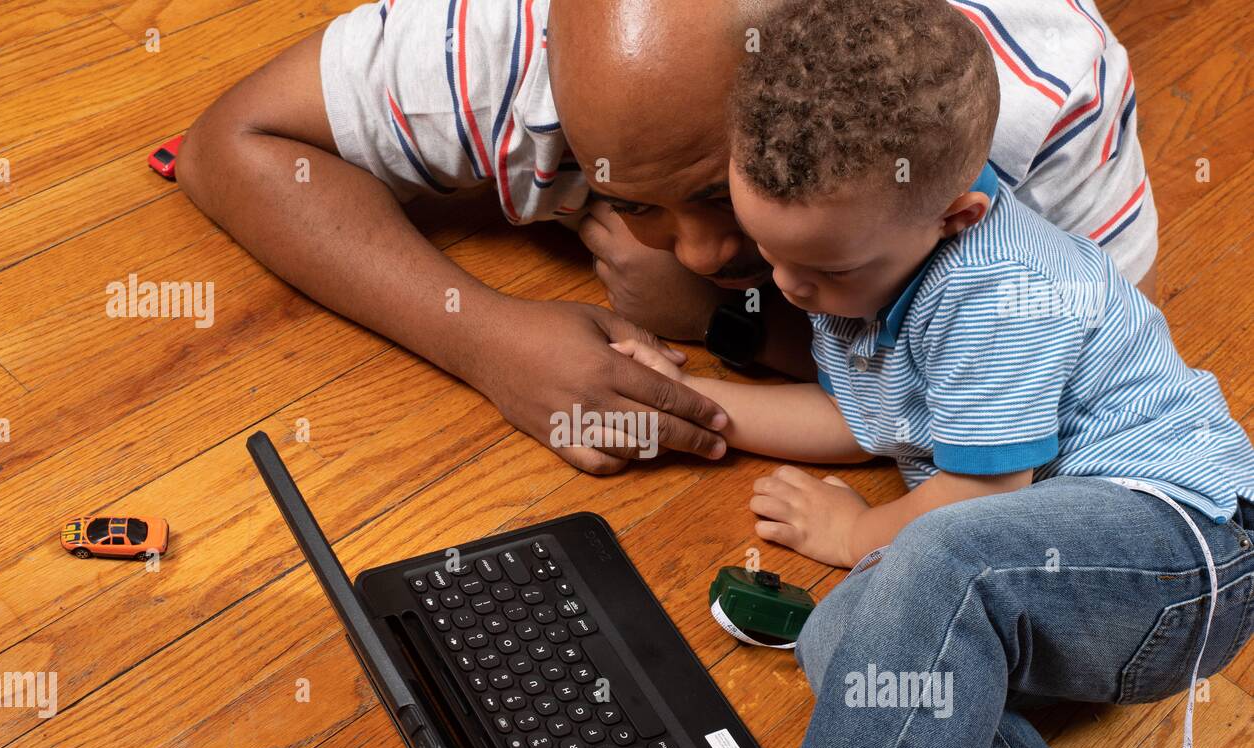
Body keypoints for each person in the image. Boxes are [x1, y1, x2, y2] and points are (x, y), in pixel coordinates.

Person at [613, 0, 1254, 748]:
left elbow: (981, 495)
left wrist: (855, 532)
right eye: (770, 254)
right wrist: (682, 401)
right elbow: (867, 416)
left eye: (824, 270)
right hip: (1050, 576)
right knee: (845, 634)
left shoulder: (1002, 290)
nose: (790, 290)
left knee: (926, 562)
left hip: (1185, 547)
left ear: (954, 216)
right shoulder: (876, 257)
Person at [176, 0, 1158, 474]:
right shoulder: (510, 41)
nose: (689, 252)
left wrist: (731, 323)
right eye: (632, 201)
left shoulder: (1041, 102)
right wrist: (480, 333)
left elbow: (1037, 415)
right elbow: (232, 145)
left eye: (717, 194)